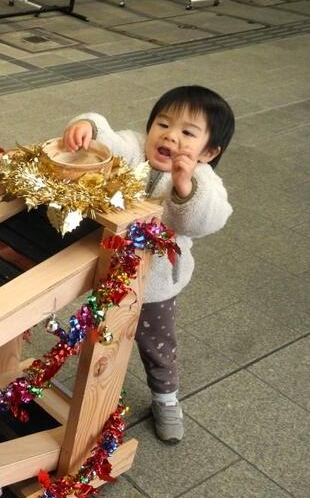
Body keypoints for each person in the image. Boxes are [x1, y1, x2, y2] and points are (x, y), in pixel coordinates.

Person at [62, 85, 234, 443]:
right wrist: (87, 127)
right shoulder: (135, 148)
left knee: (156, 343)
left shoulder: (202, 181)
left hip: (155, 285)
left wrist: (185, 189)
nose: (170, 136)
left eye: (188, 133)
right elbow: (109, 137)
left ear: (209, 151)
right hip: (110, 267)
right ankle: (97, 381)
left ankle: (166, 396)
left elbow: (208, 220)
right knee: (103, 329)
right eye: (163, 123)